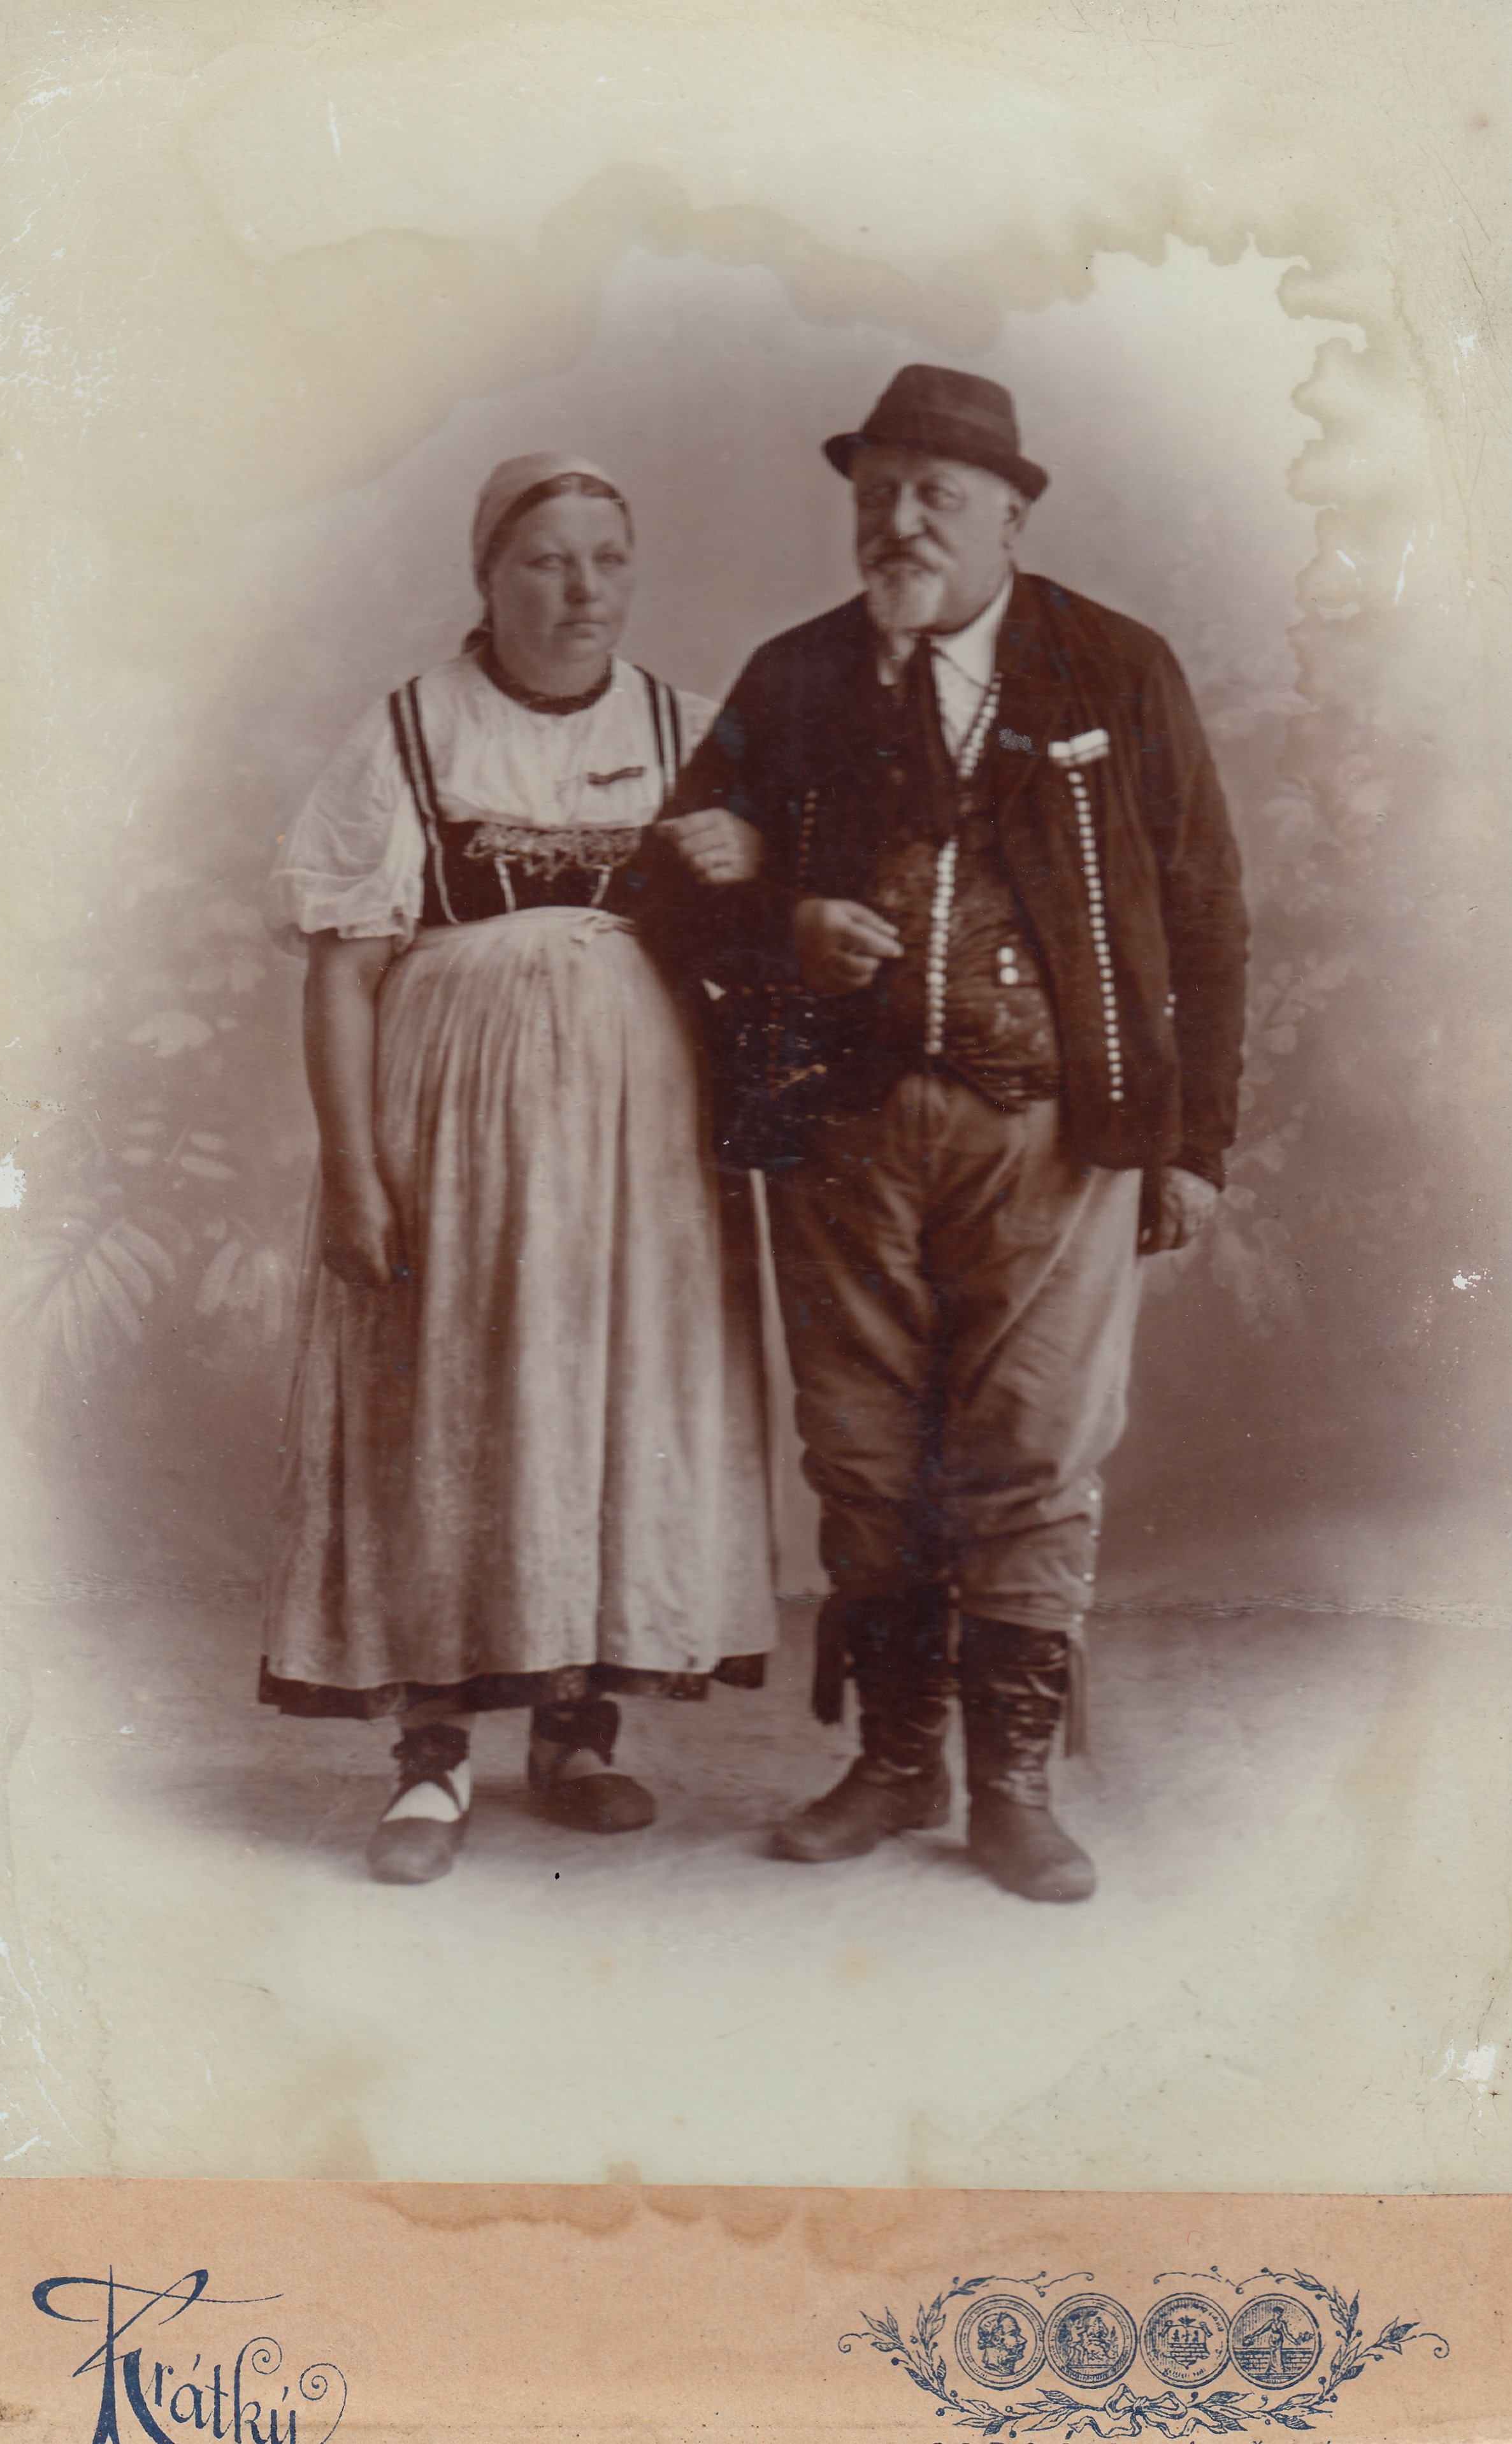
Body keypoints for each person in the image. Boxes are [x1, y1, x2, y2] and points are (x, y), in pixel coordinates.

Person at [669, 365, 1249, 1904]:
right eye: (877, 497)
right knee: (863, 1455)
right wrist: (787, 925)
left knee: (1034, 1450)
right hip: (841, 1136)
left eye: (936, 494)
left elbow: (1206, 914)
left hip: (1055, 1137)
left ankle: (1015, 1789)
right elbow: (676, 885)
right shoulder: (795, 674)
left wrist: (1195, 1143)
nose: (901, 522)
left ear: (1011, 514)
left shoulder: (1113, 666)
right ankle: (893, 1762)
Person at [260, 450, 775, 1884]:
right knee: (453, 1402)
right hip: (454, 1137)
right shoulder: (411, 731)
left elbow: (766, 932)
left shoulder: (690, 729)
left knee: (606, 1401)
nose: (581, 590)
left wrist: (754, 866)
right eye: (546, 560)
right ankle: (432, 1757)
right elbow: (342, 972)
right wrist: (355, 1172)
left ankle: (576, 1734)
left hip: (640, 1151)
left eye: (608, 559)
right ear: (488, 577)